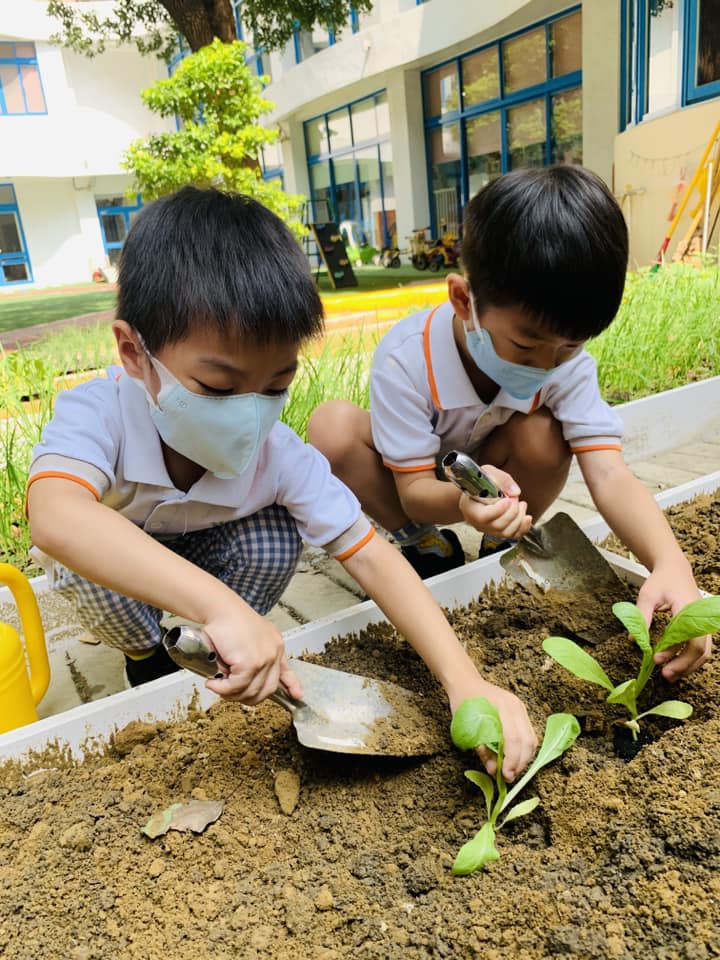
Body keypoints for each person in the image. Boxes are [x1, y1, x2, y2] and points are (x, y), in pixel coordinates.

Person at [26, 186, 536, 781]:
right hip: (122, 566)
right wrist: (222, 607)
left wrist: (465, 681)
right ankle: (148, 657)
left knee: (275, 535)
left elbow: (370, 555)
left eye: (275, 386)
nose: (249, 411)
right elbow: (57, 515)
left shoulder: (276, 454)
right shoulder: (100, 414)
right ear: (134, 352)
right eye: (218, 388)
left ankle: (219, 643)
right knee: (88, 563)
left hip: (210, 554)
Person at [308, 166, 712, 682]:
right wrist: (459, 504)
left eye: (570, 345)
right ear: (463, 300)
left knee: (544, 433)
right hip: (422, 485)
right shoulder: (406, 360)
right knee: (331, 429)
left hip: (501, 474)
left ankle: (505, 535)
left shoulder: (565, 364)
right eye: (525, 344)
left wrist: (671, 563)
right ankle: (425, 544)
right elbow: (412, 489)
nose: (547, 363)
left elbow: (608, 474)